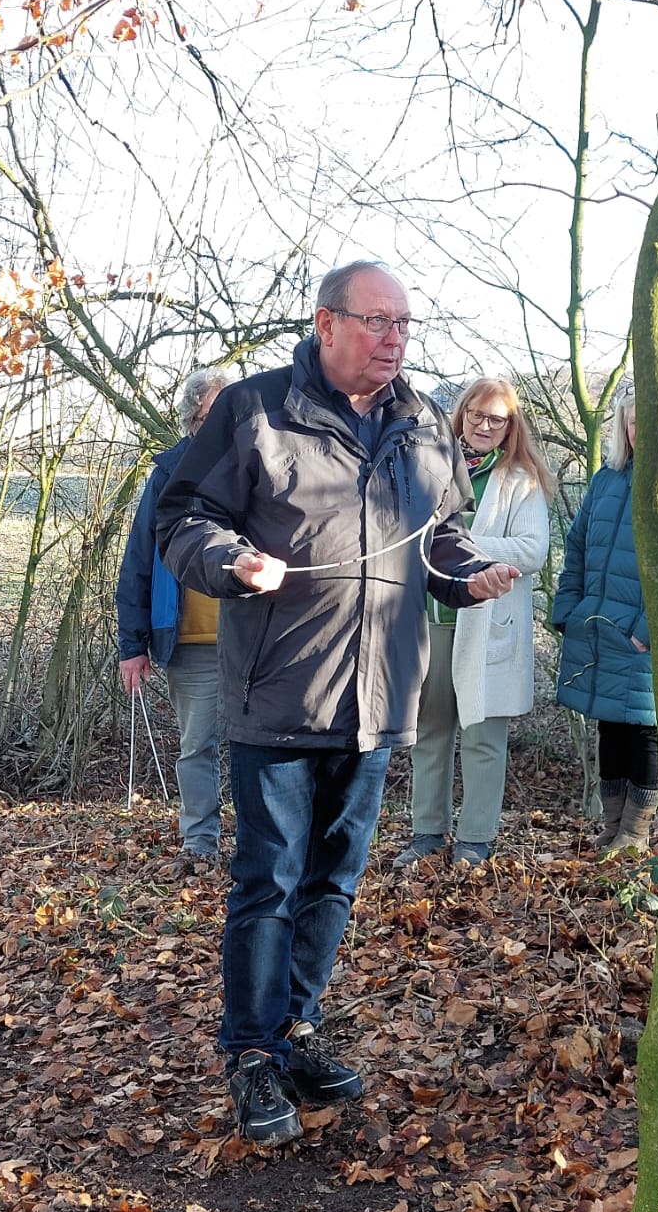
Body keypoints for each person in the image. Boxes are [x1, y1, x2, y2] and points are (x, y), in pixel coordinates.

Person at [155, 260, 519, 1145]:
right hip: (279, 691)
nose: (395, 340)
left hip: (380, 696)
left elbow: (441, 538)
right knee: (270, 879)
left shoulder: (423, 425)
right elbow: (182, 520)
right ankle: (248, 1053)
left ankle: (294, 1030)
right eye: (378, 322)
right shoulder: (255, 411)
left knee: (334, 880)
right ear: (326, 324)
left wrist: (467, 580)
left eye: (406, 325)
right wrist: (232, 563)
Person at [549, 387, 658, 854]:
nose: (639, 430)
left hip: (646, 636)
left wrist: (652, 630)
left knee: (645, 729)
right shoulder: (607, 479)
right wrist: (568, 610)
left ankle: (636, 833)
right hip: (599, 627)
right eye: (631, 421)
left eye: (650, 420)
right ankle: (612, 828)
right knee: (610, 727)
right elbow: (578, 545)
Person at [396, 377, 554, 869]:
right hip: (431, 619)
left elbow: (532, 551)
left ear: (511, 427)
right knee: (429, 729)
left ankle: (476, 838)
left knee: (484, 737)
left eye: (497, 419)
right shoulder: (433, 467)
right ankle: (427, 832)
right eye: (477, 415)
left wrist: (458, 546)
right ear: (460, 416)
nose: (485, 426)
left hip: (487, 624)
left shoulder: (520, 479)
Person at [117, 366, 238, 865]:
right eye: (210, 413)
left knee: (266, 751)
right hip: (189, 640)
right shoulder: (168, 475)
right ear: (193, 419)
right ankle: (200, 842)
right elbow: (139, 560)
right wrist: (133, 645)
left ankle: (262, 842)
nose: (218, 423)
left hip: (258, 638)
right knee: (197, 747)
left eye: (228, 412)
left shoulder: (263, 466)